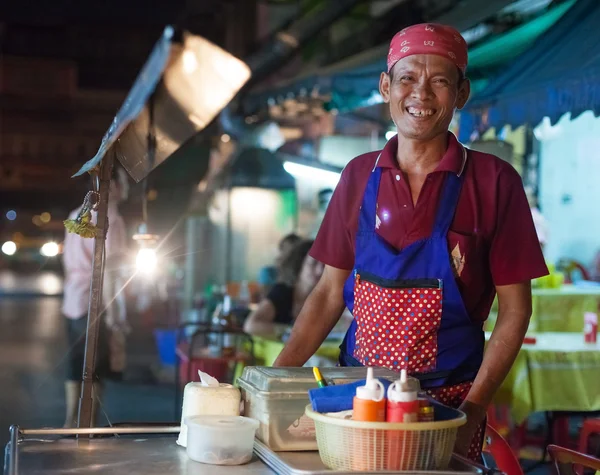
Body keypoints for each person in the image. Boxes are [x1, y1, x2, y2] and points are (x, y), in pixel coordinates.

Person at [273, 23, 548, 460]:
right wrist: (273, 382)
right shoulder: (357, 177)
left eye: (439, 81)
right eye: (407, 79)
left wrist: (473, 411)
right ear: (386, 87)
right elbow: (328, 294)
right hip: (357, 401)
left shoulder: (495, 183)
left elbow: (516, 311)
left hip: (448, 407)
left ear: (461, 94)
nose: (421, 94)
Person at [62, 168, 129, 427]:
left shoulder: (76, 215)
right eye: (124, 183)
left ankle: (70, 421)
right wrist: (115, 315)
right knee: (94, 367)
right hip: (96, 301)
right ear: (112, 188)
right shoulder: (110, 218)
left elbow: (67, 262)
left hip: (73, 300)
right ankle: (86, 424)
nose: (127, 189)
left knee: (74, 363)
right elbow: (111, 269)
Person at [245, 240, 320, 335]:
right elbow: (251, 325)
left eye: (324, 265)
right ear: (299, 265)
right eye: (313, 263)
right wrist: (290, 332)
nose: (319, 271)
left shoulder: (324, 298)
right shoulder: (282, 292)